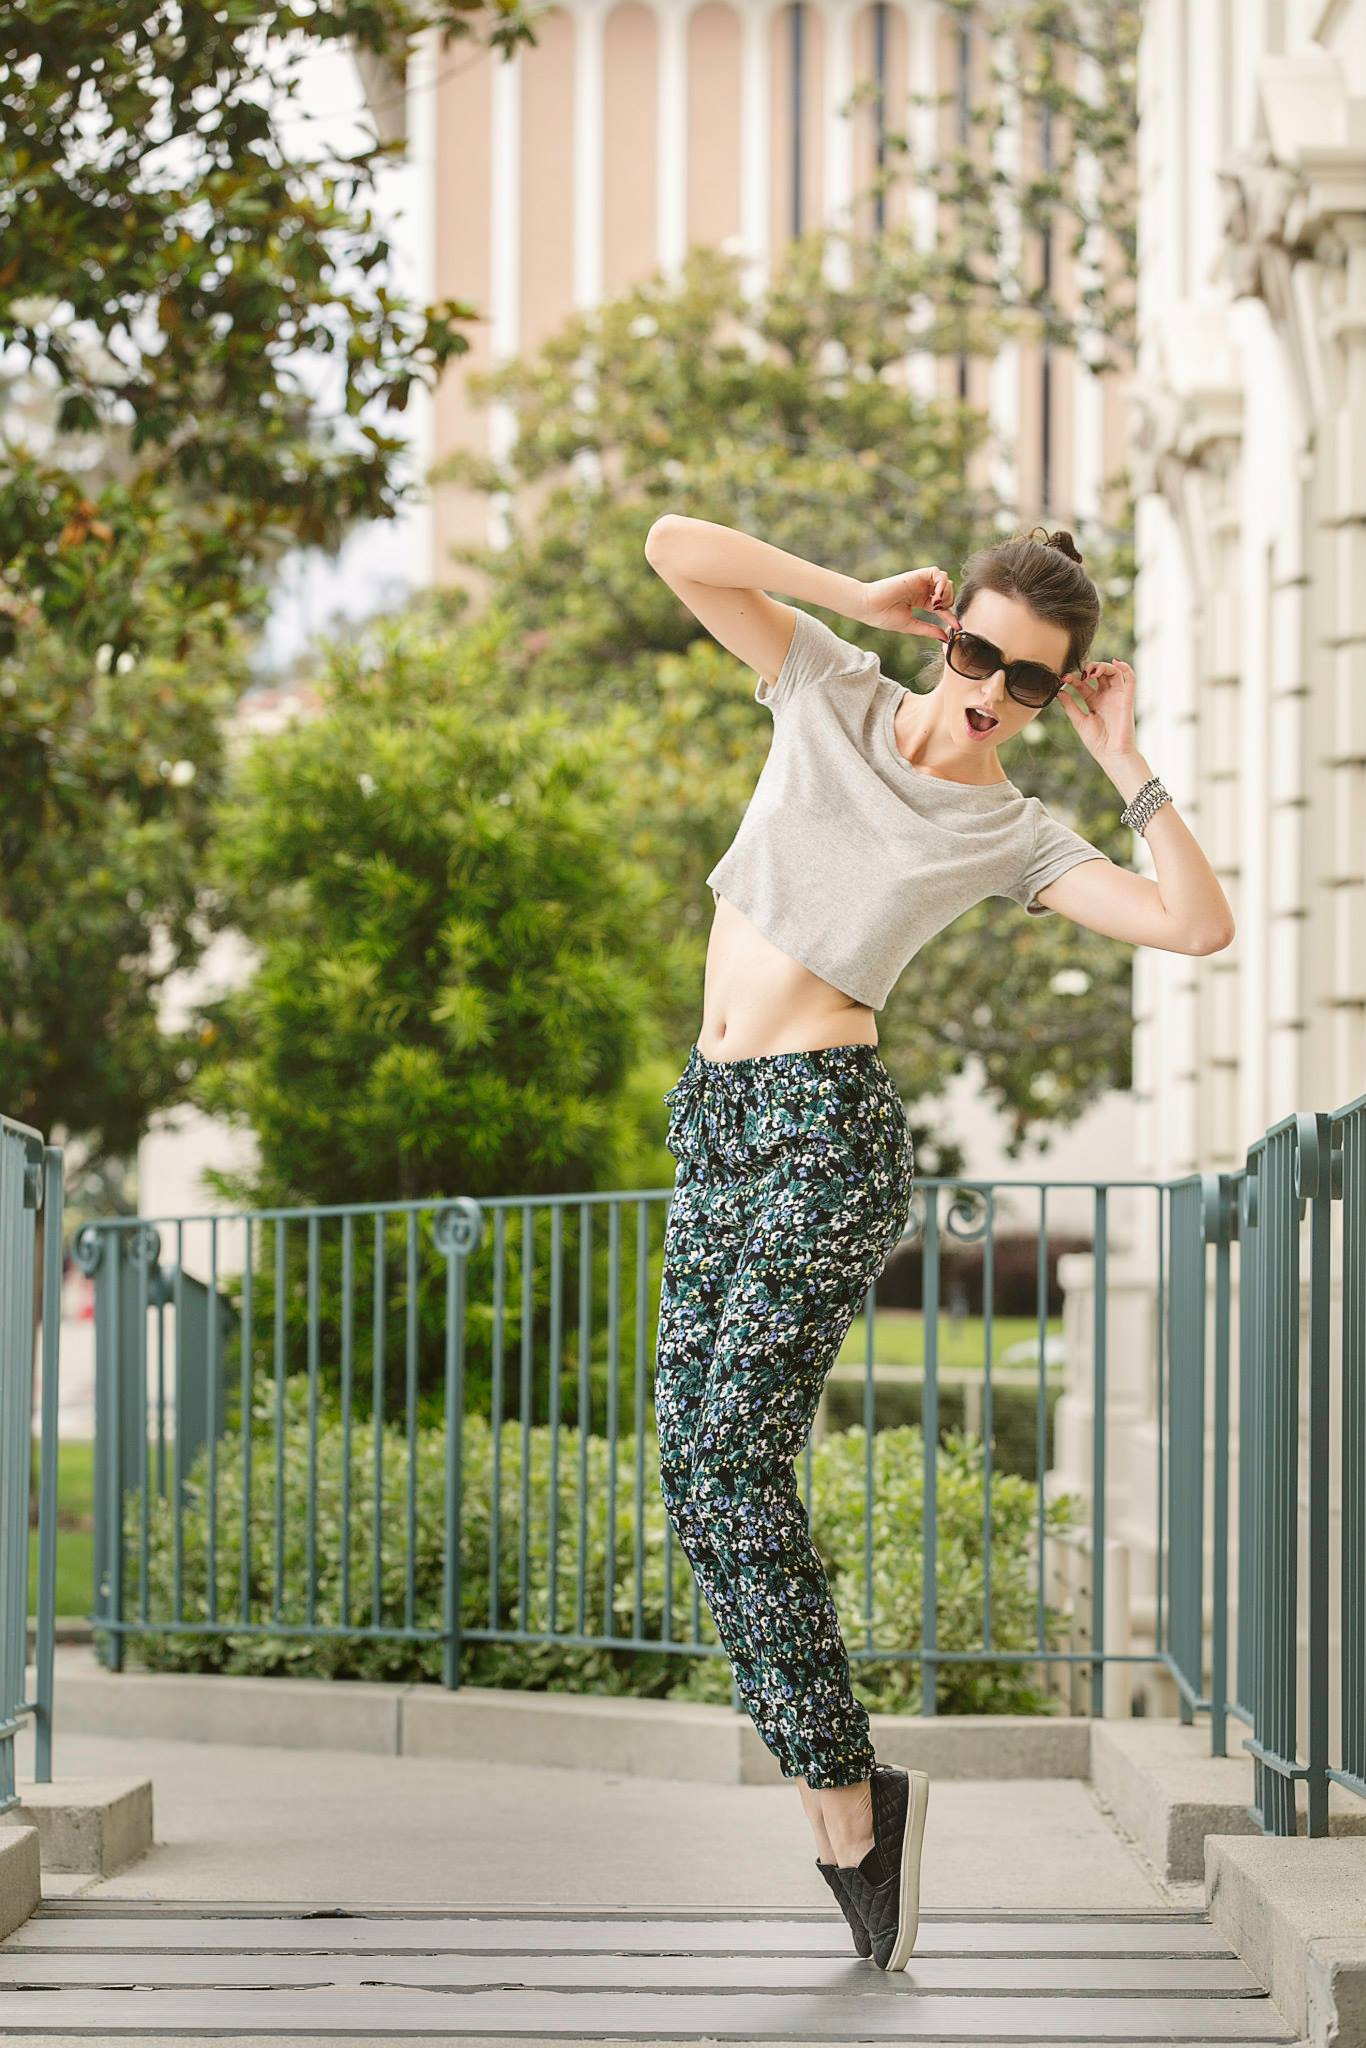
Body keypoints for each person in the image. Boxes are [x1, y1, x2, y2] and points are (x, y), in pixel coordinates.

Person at [643, 514, 1235, 1973]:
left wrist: (1118, 758)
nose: (987, 695)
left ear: (1053, 691)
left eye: (1028, 682)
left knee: (730, 1456)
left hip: (822, 1136)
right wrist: (849, 594)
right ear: (944, 631)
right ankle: (856, 1804)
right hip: (712, 1121)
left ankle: (847, 1814)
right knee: (691, 1465)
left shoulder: (1014, 829)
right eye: (976, 653)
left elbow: (1193, 926)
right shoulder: (828, 688)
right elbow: (672, 545)